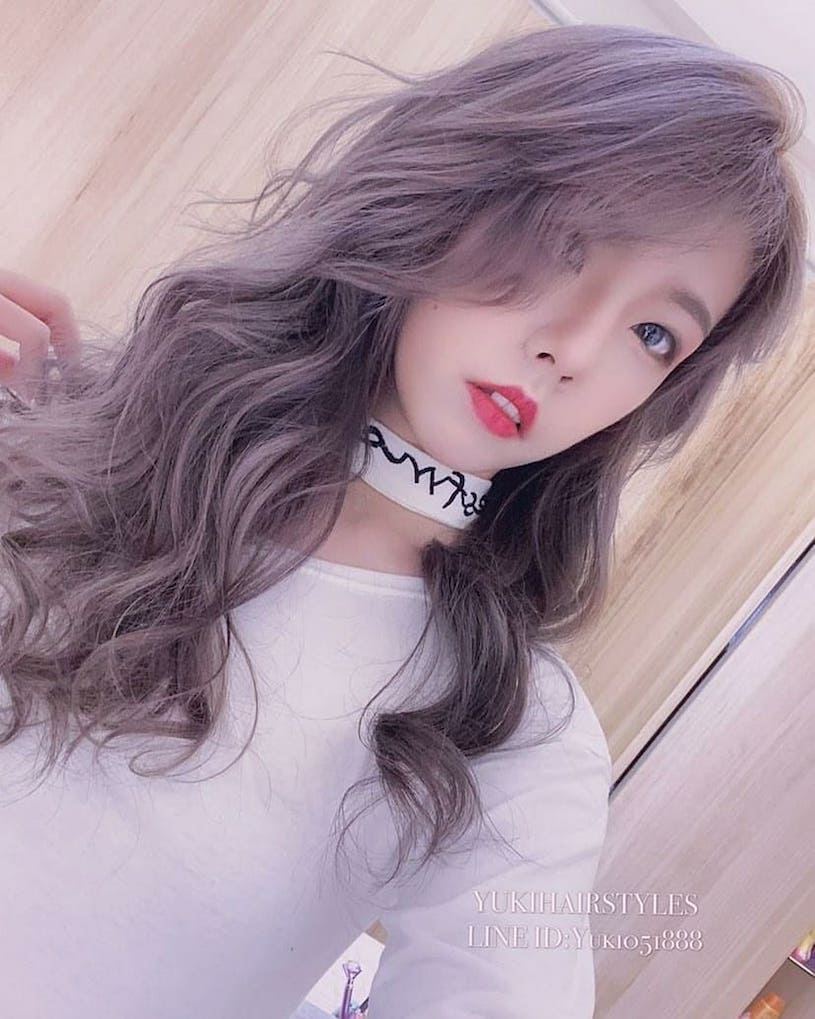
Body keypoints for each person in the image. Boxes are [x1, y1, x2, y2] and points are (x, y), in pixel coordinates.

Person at [0, 22, 808, 1019]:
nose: (573, 347)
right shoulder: (73, 439)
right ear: (448, 188)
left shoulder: (504, 725)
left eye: (652, 332)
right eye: (563, 244)